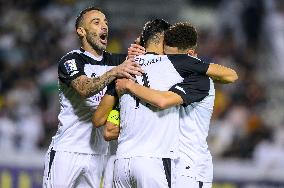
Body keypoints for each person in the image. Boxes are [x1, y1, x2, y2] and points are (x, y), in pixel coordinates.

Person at [93, 19, 237, 188]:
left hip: (188, 167)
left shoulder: (194, 77)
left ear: (190, 55)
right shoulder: (164, 68)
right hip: (161, 161)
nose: (166, 57)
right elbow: (109, 129)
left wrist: (130, 85)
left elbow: (231, 75)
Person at [42, 7, 144, 188]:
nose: (104, 26)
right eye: (96, 22)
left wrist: (141, 46)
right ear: (81, 31)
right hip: (67, 150)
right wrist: (115, 72)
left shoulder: (116, 61)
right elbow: (83, 88)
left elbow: (145, 60)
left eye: (105, 22)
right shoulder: (71, 60)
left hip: (98, 155)